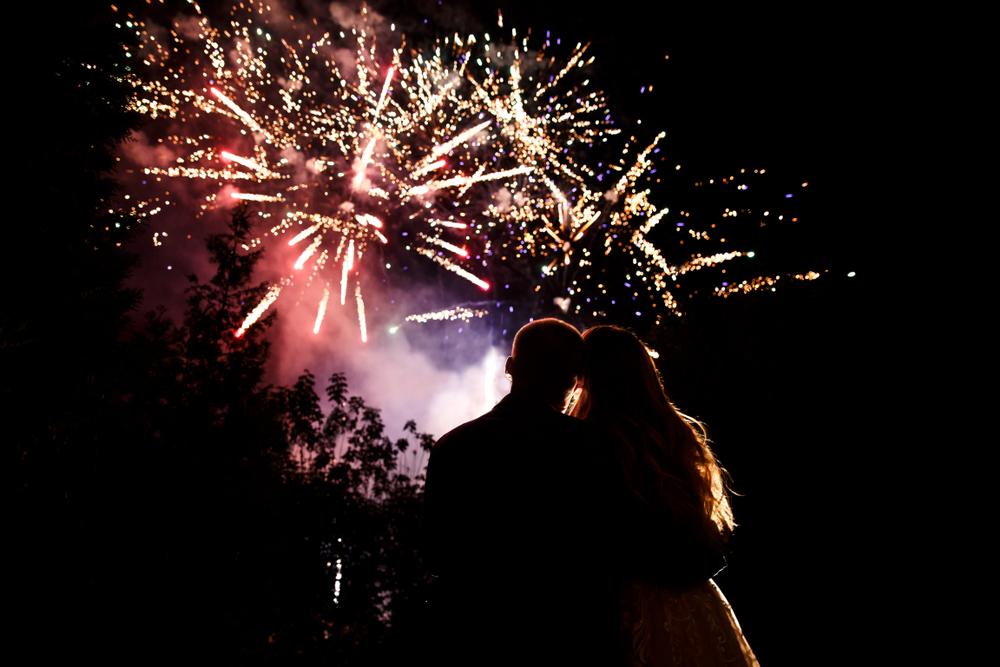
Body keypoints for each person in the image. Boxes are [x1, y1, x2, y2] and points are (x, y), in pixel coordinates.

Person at [423, 319, 620, 666]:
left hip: (470, 637)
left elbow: (437, 555)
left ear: (510, 367)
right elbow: (606, 552)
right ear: (579, 375)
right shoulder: (592, 446)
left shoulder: (453, 446)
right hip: (563, 638)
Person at [569, 325, 760, 666]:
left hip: (628, 604)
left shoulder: (587, 439)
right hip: (691, 597)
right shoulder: (673, 433)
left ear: (588, 373)